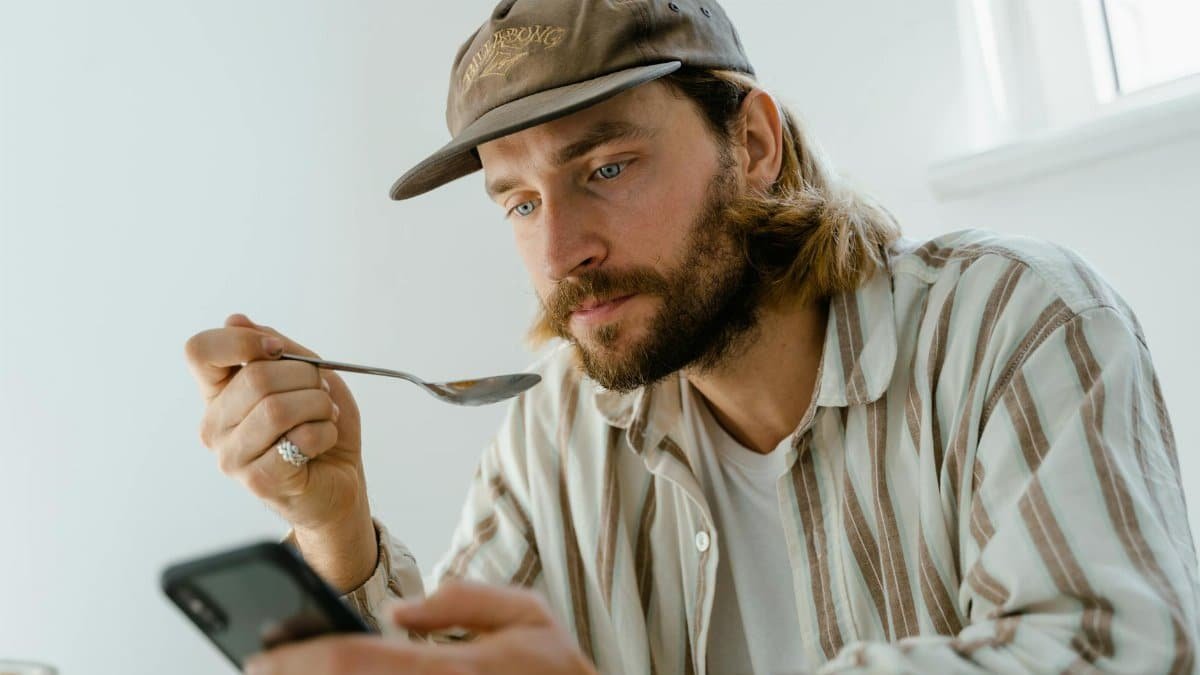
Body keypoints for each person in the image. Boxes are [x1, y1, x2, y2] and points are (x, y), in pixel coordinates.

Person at [183, 1, 1200, 673]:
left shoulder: (1015, 326)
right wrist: (336, 526)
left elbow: (1112, 653)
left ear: (752, 143)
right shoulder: (562, 432)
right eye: (520, 203)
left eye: (607, 167)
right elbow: (450, 658)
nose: (561, 249)